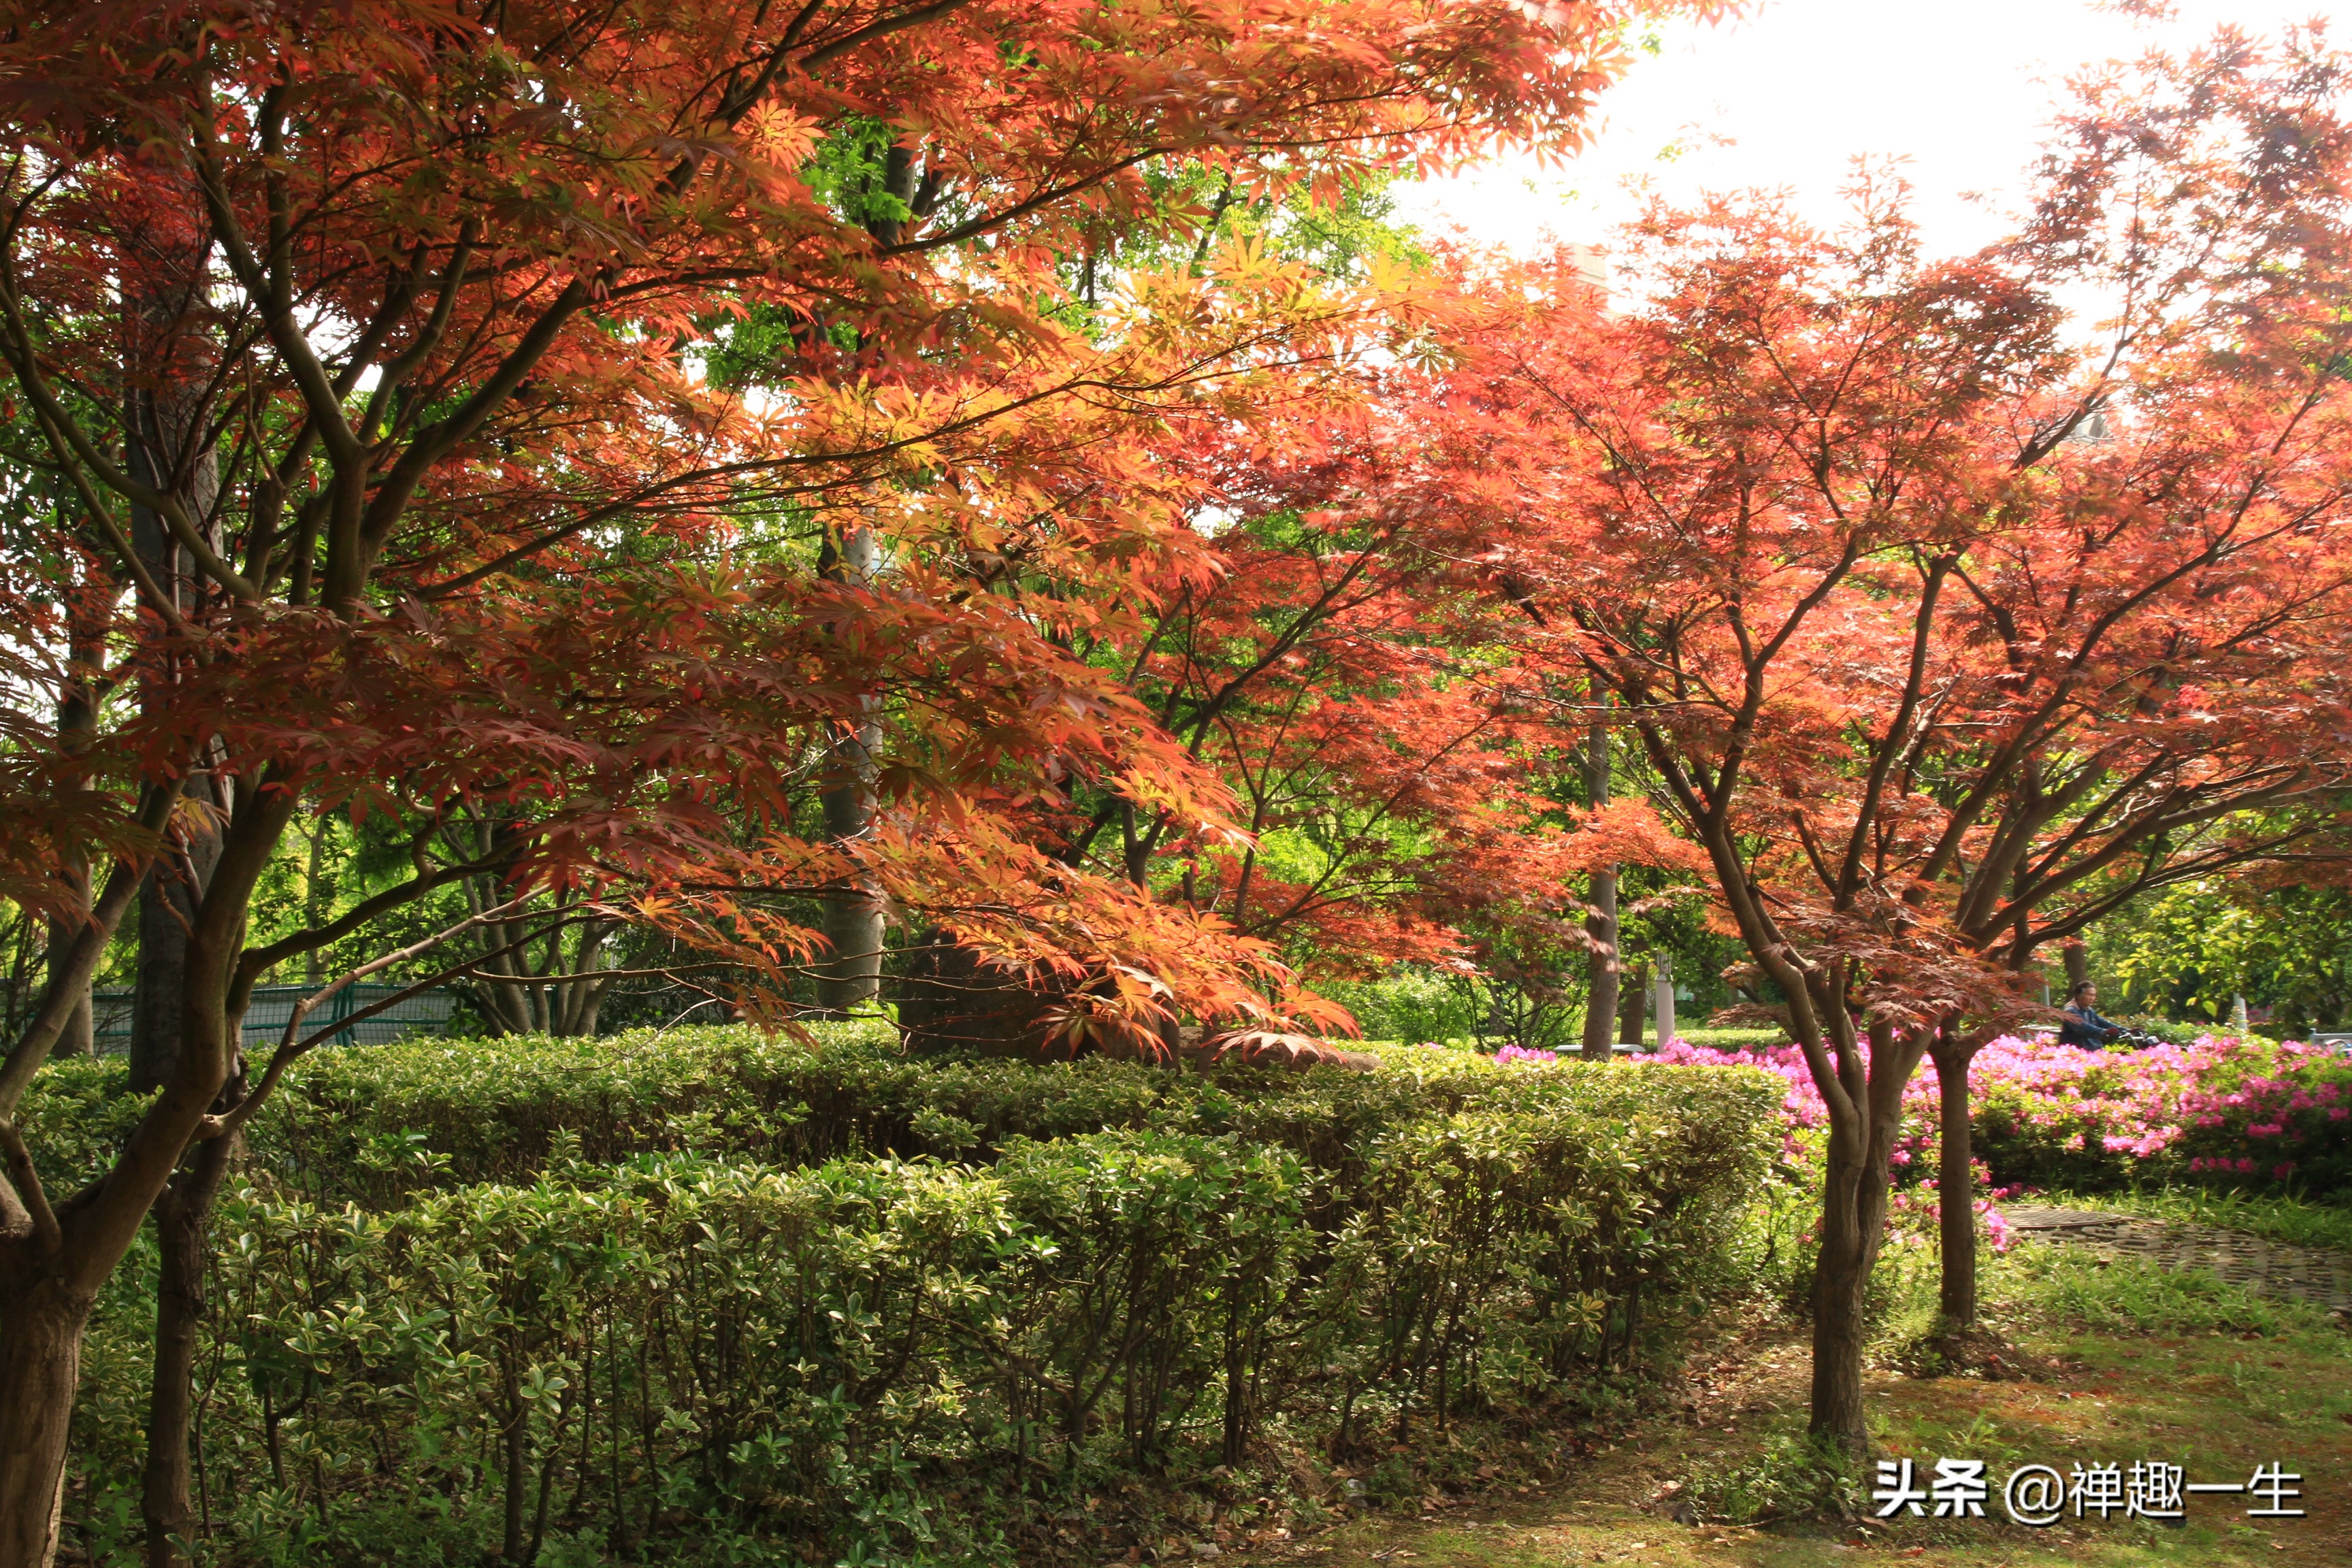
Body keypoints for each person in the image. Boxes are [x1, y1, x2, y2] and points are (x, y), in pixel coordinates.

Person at [2058, 981, 2123, 1048]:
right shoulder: (2071, 1011)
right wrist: (2105, 1032)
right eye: (2089, 995)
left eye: (2094, 995)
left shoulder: (2089, 1010)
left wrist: (2124, 1030)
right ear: (2079, 995)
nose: (2092, 998)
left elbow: (2104, 1023)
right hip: (2078, 1050)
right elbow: (2083, 1028)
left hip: (2093, 1048)